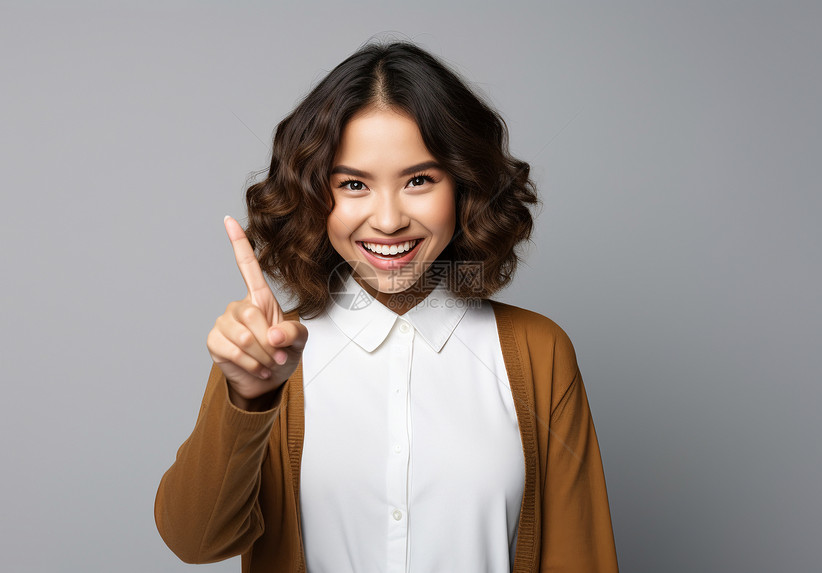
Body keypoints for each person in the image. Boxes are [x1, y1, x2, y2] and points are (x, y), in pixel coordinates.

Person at [155, 41, 618, 572]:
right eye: (354, 184)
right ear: (314, 195)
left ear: (465, 186)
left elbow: (581, 559)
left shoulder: (539, 352)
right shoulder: (268, 353)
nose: (389, 219)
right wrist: (247, 397)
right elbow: (194, 541)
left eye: (419, 180)